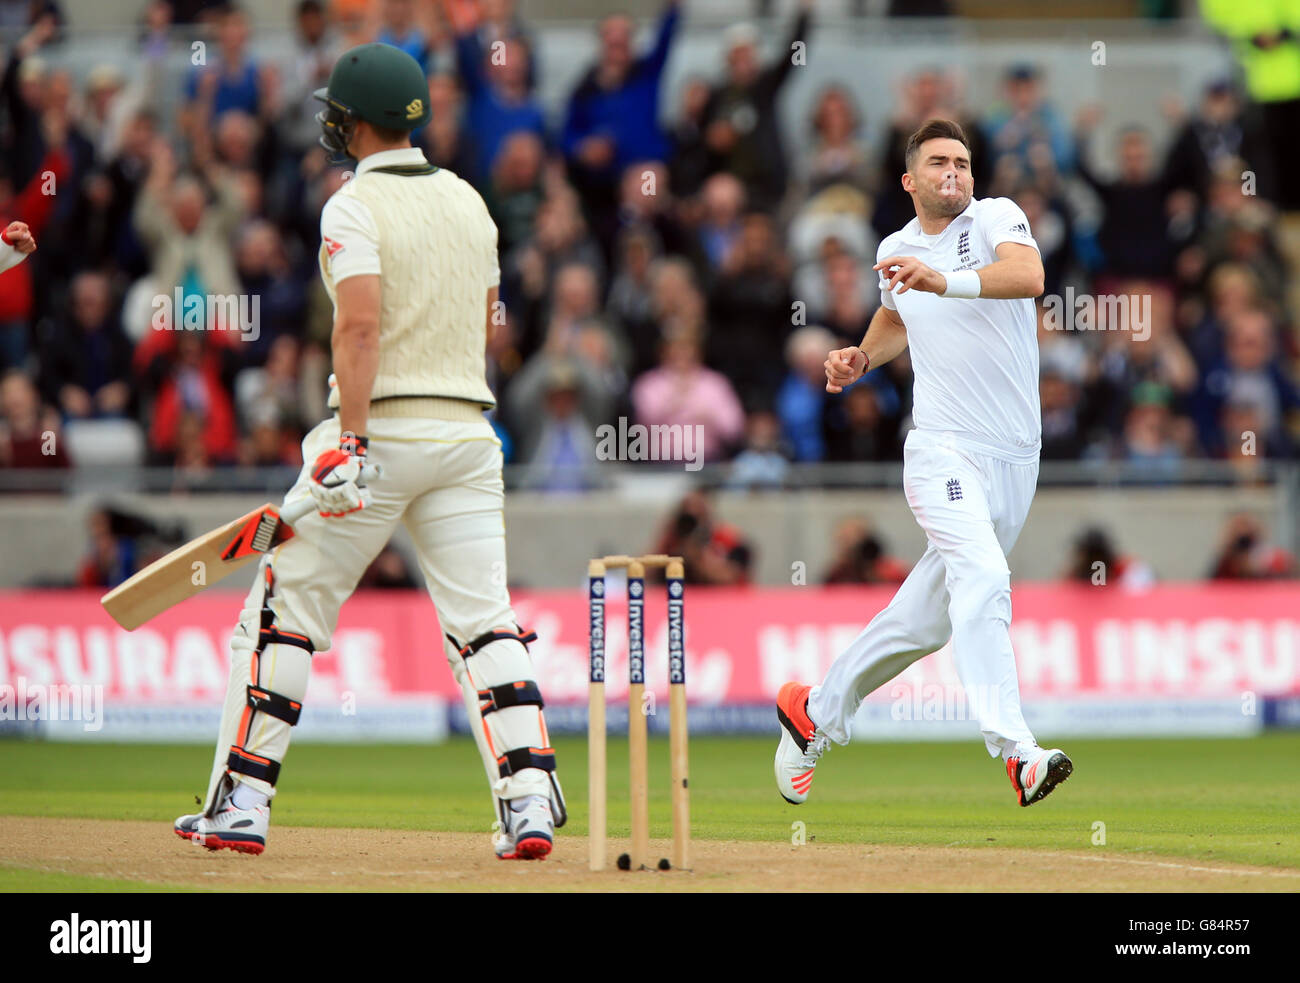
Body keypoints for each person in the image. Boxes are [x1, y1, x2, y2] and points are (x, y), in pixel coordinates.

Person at [173, 43, 566, 862]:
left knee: (283, 612)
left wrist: (348, 441)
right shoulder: (471, 202)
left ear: (353, 122)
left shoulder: (351, 204)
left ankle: (242, 801)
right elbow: (487, 322)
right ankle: (528, 797)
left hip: (378, 433)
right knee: (484, 623)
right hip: (466, 433)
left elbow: (357, 328)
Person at [773, 119, 1074, 811]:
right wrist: (860, 357)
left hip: (1013, 460)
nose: (955, 173)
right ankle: (1017, 750)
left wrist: (943, 280)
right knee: (986, 575)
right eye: (939, 161)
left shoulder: (998, 218)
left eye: (963, 162)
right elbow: (896, 315)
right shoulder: (895, 247)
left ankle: (812, 708)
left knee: (925, 622)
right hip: (941, 448)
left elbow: (1028, 277)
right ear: (910, 180)